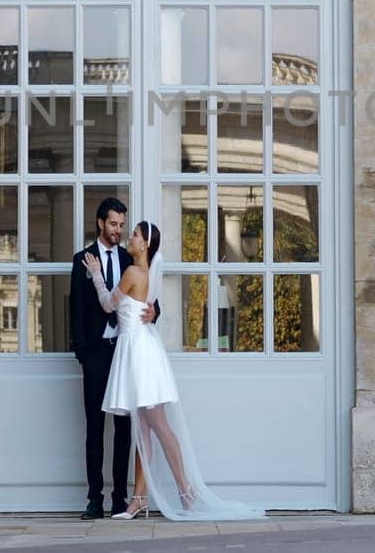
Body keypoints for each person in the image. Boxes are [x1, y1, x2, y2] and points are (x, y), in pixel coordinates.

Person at [80, 220, 265, 521]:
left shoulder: (132, 272)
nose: (131, 237)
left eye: (136, 235)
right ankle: (140, 498)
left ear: (145, 244)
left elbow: (108, 305)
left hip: (138, 352)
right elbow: (144, 307)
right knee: (144, 430)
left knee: (158, 427)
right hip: (140, 348)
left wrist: (97, 275)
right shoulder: (147, 274)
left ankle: (186, 491)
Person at [68, 198, 156, 520]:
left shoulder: (128, 259)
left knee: (124, 428)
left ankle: (120, 498)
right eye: (113, 224)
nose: (118, 230)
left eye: (122, 225)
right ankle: (95, 499)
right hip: (95, 354)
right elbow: (75, 309)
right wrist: (83, 354)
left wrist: (154, 311)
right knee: (94, 427)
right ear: (100, 223)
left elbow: (145, 301)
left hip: (125, 352)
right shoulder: (82, 260)